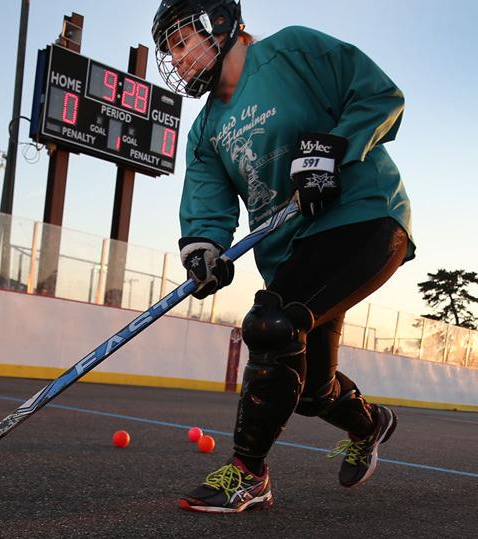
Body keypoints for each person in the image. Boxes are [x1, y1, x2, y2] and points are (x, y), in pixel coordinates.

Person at [151, 0, 415, 513]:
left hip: (362, 217)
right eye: (171, 50)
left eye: (182, 42)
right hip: (294, 251)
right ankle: (370, 424)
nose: (177, 59)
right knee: (313, 390)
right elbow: (206, 206)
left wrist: (330, 149)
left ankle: (248, 474)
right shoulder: (205, 132)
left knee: (272, 324)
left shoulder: (292, 50)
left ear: (218, 23)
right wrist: (204, 251)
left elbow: (378, 94)